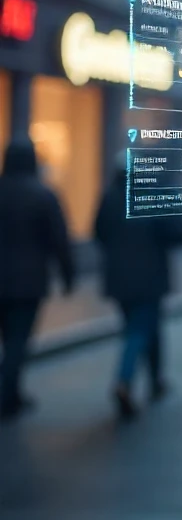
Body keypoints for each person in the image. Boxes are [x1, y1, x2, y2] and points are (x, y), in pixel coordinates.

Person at [94, 164, 182, 420]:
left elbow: (99, 232)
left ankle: (156, 380)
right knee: (140, 329)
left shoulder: (111, 196)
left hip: (118, 276)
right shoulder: (156, 196)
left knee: (142, 326)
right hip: (150, 276)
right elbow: (179, 231)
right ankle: (124, 382)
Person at [0, 141, 74, 421]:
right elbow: (59, 241)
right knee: (18, 341)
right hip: (28, 282)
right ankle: (9, 395)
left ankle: (13, 391)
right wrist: (68, 277)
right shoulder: (43, 194)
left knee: (10, 340)